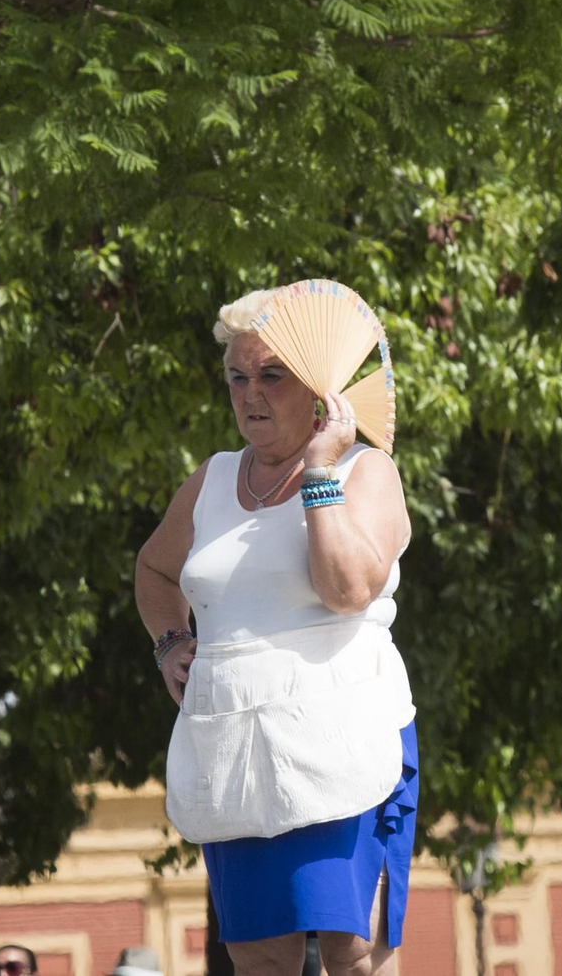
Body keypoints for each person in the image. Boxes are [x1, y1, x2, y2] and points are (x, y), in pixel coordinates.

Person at [134, 288, 418, 976]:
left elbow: (346, 590)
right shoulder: (210, 481)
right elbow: (153, 568)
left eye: (271, 375)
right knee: (259, 958)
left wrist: (319, 473)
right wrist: (171, 643)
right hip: (233, 752)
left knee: (353, 956)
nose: (250, 393)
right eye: (238, 375)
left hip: (346, 743)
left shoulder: (366, 471)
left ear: (317, 386)